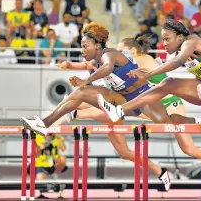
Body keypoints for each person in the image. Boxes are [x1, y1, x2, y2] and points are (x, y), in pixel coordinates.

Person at [20, 22, 173, 190]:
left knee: (169, 124)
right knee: (123, 151)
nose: (82, 50)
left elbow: (107, 68)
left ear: (97, 45)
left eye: (85, 46)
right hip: (118, 102)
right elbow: (84, 66)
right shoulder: (94, 62)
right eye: (81, 46)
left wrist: (86, 81)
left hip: (140, 100)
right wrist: (69, 66)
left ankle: (71, 116)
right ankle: (161, 171)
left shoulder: (109, 54)